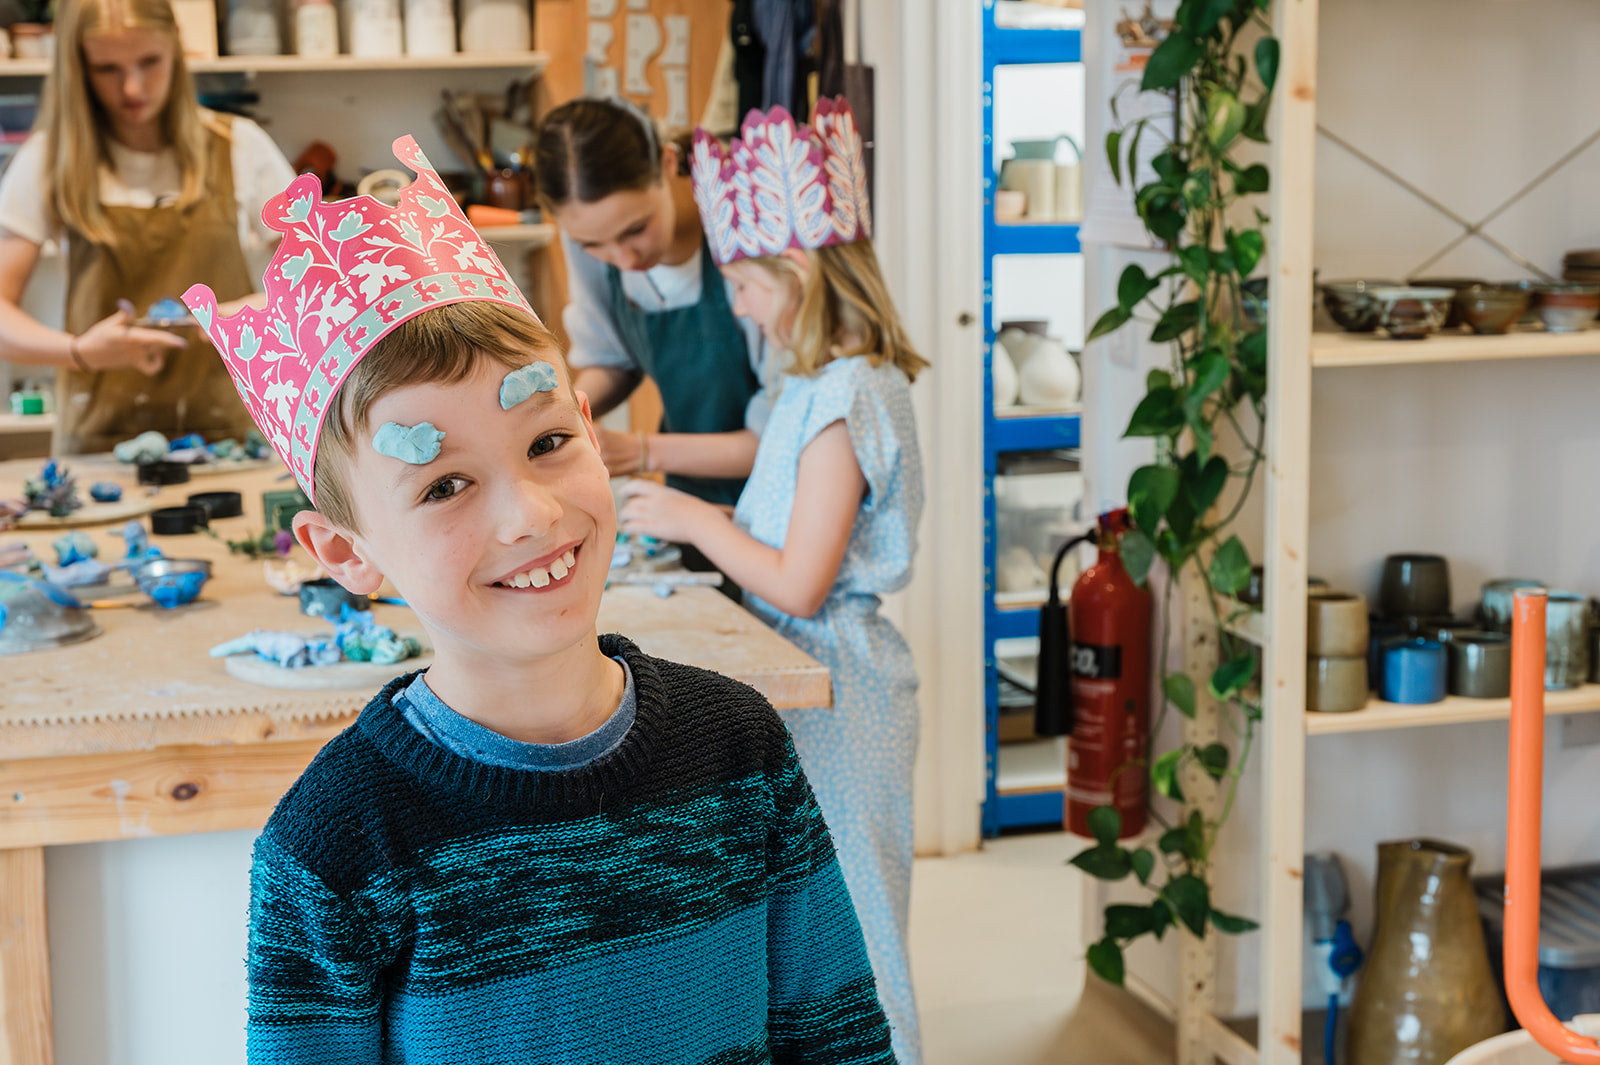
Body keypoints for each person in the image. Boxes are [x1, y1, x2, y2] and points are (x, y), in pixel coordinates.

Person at [182, 135, 896, 1063]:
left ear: (593, 432)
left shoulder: (741, 748)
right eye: (442, 485)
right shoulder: (334, 848)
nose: (530, 513)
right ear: (344, 552)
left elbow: (838, 1040)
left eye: (547, 441)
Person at [618, 98, 928, 1065]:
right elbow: (769, 471)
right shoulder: (803, 384)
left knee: (863, 930)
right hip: (802, 679)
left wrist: (695, 518)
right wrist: (648, 458)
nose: (739, 307)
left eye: (745, 288)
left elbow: (800, 583)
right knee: (805, 933)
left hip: (847, 685)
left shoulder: (851, 395)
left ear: (795, 272)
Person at [0, 0, 295, 454]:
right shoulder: (49, 160)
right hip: (102, 442)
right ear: (77, 68)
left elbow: (321, 284)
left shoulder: (240, 147)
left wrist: (265, 308)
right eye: (107, 69)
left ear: (176, 51)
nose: (132, 87)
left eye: (150, 62)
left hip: (234, 439)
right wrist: (79, 351)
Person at [533, 97, 777, 507]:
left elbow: (786, 430)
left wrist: (643, 451)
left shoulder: (749, 229)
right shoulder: (590, 238)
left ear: (668, 163)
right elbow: (613, 360)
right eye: (592, 244)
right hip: (693, 498)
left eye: (636, 229)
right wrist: (561, 413)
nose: (625, 260)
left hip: (785, 499)